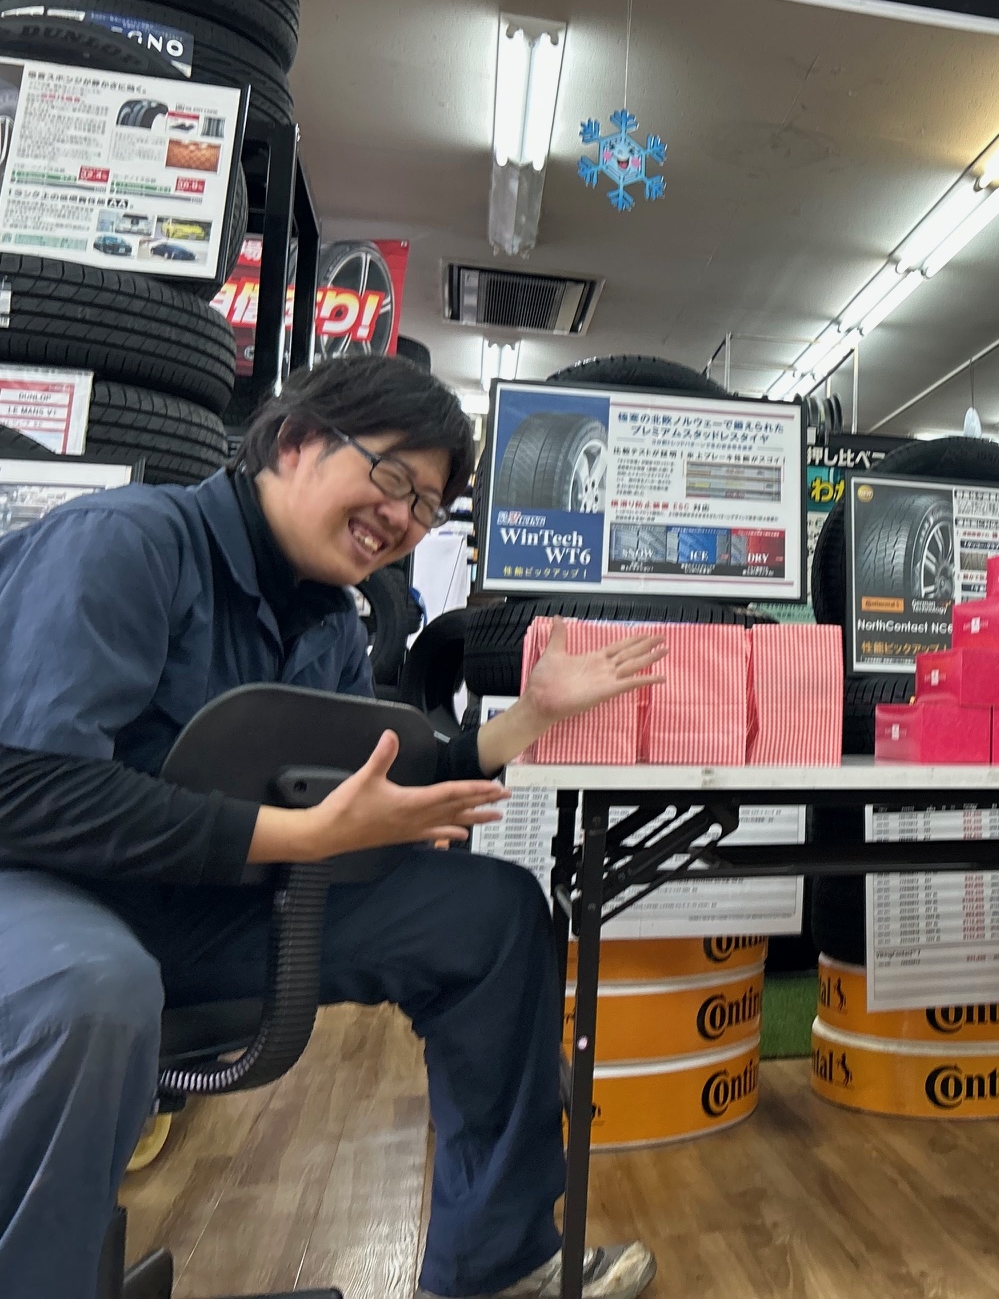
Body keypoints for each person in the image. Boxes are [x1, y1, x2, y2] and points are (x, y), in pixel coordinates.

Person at [0, 356, 670, 1299]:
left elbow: (373, 787)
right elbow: (27, 788)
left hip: (198, 908)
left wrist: (526, 720)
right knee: (95, 989)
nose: (403, 517)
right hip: (44, 889)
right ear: (294, 440)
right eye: (392, 476)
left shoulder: (331, 623)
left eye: (428, 506)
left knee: (492, 914)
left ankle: (499, 1262)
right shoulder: (126, 543)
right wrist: (297, 838)